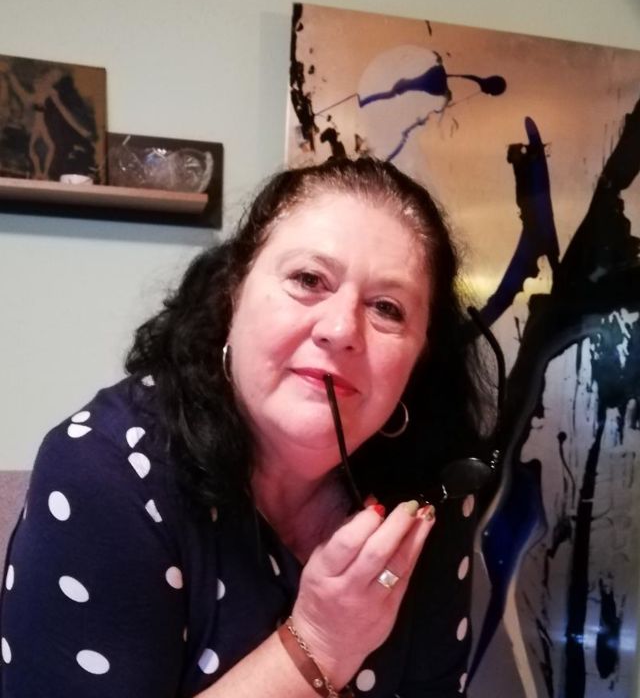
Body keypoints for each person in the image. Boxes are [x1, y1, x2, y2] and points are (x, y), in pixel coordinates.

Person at [0, 157, 489, 697]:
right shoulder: (104, 473)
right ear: (234, 292)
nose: (340, 329)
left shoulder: (430, 492)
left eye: (388, 308)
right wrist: (319, 640)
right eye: (308, 279)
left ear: (420, 356)